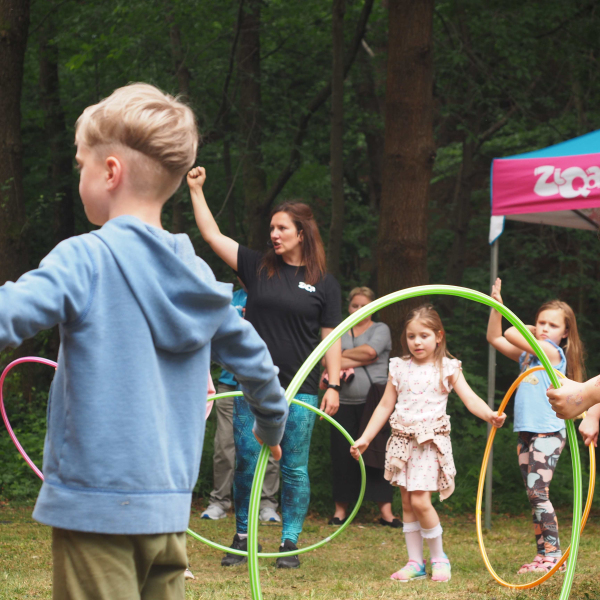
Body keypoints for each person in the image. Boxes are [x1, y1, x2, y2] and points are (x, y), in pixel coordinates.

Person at [0, 83, 288, 600]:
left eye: (81, 165)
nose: (79, 176)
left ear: (110, 172)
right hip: (167, 517)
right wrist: (270, 424)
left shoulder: (85, 258)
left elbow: (9, 313)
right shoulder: (197, 277)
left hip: (96, 513)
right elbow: (258, 365)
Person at [187, 168, 342, 569]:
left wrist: (334, 384)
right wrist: (196, 189)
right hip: (253, 385)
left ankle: (289, 542)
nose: (274, 234)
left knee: (293, 466)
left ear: (301, 233)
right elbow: (212, 236)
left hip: (302, 387)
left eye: (282, 228)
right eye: (272, 228)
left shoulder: (324, 283)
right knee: (246, 460)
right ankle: (243, 536)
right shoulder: (257, 267)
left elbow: (331, 338)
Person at [351, 304, 506, 583]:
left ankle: (439, 557)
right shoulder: (399, 366)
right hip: (402, 442)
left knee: (420, 501)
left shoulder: (447, 367)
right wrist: (365, 438)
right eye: (411, 336)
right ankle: (415, 562)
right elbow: (385, 405)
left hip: (429, 444)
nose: (417, 342)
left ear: (438, 336)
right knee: (407, 502)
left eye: (424, 335)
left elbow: (470, 398)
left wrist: (489, 415)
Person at [487, 278, 585, 574]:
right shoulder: (528, 357)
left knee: (538, 492)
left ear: (565, 333)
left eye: (552, 325)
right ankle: (543, 555)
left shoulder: (552, 354)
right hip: (526, 432)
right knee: (534, 495)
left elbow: (511, 332)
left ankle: (554, 556)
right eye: (541, 322)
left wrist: (527, 328)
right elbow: (495, 336)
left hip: (548, 431)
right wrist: (496, 307)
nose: (544, 328)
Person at [201, 281, 281, 523]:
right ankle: (219, 502)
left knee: (269, 441)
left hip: (260, 384)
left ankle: (266, 504)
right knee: (224, 445)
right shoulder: (229, 298)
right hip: (228, 384)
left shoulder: (273, 296)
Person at [328, 287, 400, 527]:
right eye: (355, 305)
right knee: (341, 455)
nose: (359, 309)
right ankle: (340, 511)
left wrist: (340, 356)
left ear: (373, 307)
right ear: (348, 307)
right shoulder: (339, 329)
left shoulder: (381, 329)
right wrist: (359, 357)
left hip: (375, 402)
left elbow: (371, 351)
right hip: (342, 402)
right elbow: (327, 359)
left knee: (377, 453)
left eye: (364, 305)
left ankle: (386, 513)